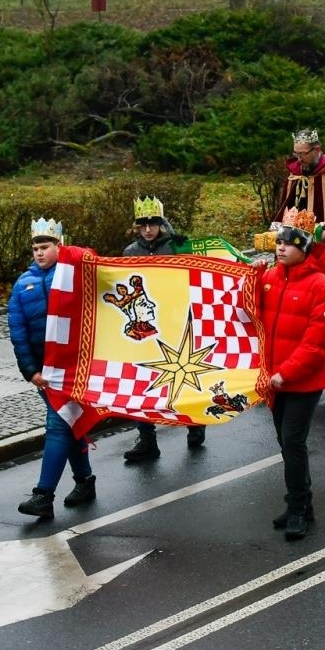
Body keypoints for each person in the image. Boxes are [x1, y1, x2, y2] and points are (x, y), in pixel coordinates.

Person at [257, 222, 325, 540]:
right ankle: (301, 503)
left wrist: (286, 372)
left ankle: (298, 509)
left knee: (292, 441)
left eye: (289, 244)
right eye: (278, 242)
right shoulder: (270, 278)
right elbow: (245, 313)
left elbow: (318, 344)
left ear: (303, 249)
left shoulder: (321, 286)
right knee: (287, 444)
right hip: (276, 380)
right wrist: (251, 279)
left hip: (302, 380)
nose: (281, 248)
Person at [12, 217, 97, 521]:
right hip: (45, 374)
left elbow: (93, 261)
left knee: (58, 426)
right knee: (70, 424)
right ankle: (85, 481)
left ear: (60, 247)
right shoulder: (23, 285)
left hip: (73, 368)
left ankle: (43, 495)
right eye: (35, 247)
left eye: (45, 247)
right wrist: (29, 370)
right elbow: (18, 330)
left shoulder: (76, 274)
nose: (39, 252)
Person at [119, 196, 204, 462]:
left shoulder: (175, 246)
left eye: (152, 223)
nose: (147, 229)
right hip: (146, 324)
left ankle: (195, 422)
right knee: (143, 379)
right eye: (143, 224)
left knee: (184, 374)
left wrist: (186, 248)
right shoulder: (130, 252)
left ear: (161, 223)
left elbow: (195, 274)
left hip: (177, 318)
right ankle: (146, 438)